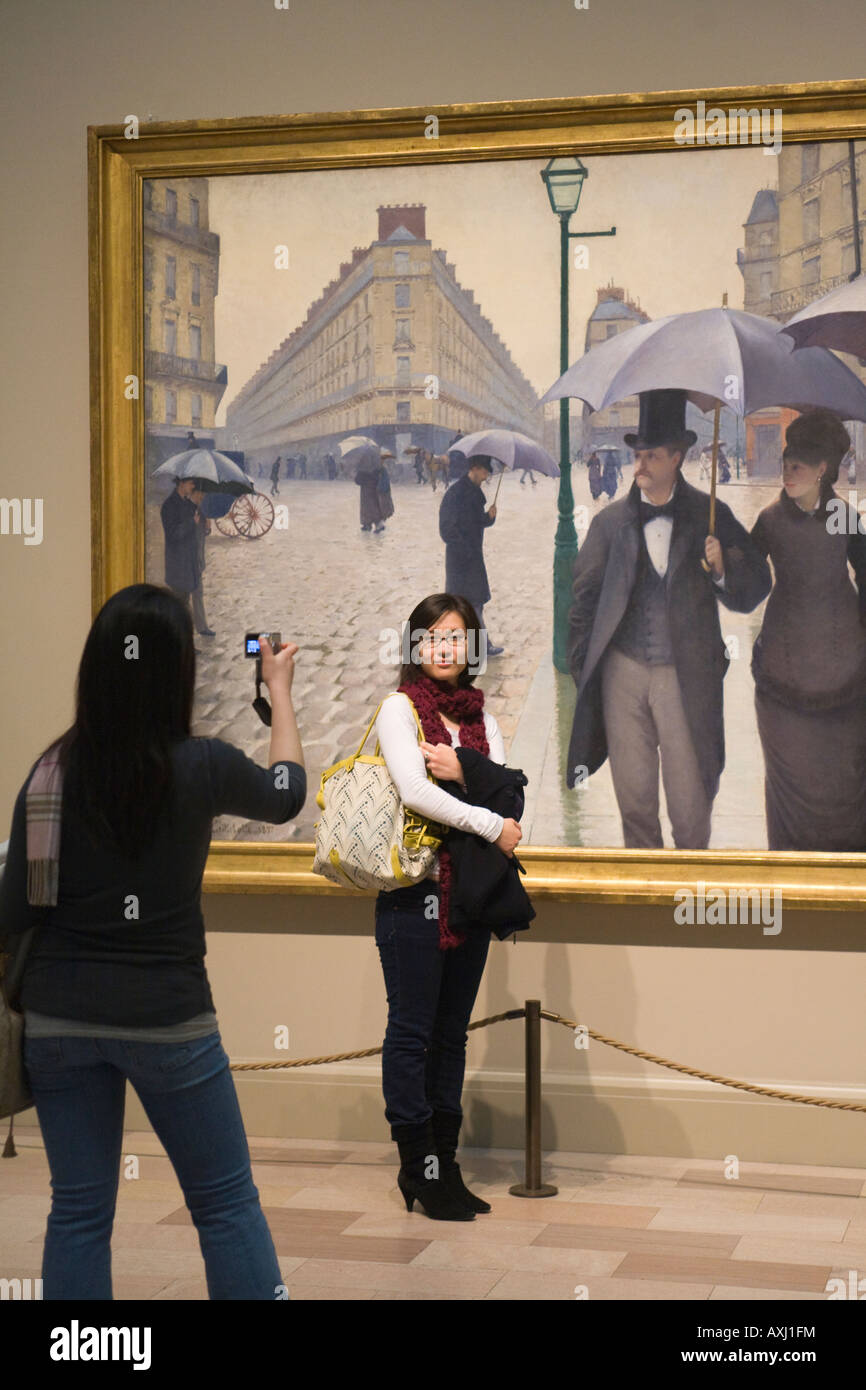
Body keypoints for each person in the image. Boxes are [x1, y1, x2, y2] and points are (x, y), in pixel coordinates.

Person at [0, 585, 306, 1299]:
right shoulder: (201, 765)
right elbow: (286, 792)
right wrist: (280, 694)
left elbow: (13, 909)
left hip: (60, 1022)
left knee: (77, 1212)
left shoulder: (51, 772)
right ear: (176, 673)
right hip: (169, 1020)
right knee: (226, 1205)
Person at [373, 593, 525, 1221]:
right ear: (414, 645)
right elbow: (415, 791)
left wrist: (463, 768)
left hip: (471, 897)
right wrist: (488, 816)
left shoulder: (480, 719)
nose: (444, 647)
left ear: (472, 647)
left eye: (457, 636)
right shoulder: (399, 708)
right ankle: (418, 1170)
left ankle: (446, 1167)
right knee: (412, 1034)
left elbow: (513, 791)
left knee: (450, 1036)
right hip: (414, 894)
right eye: (432, 636)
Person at [566, 389, 772, 848]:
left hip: (687, 675)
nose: (640, 464)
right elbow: (580, 606)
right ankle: (645, 907)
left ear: (677, 457)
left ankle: (691, 898)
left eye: (652, 456)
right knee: (634, 801)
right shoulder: (610, 524)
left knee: (690, 804)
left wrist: (722, 570)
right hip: (623, 674)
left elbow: (757, 585)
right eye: (638, 455)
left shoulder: (710, 514)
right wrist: (589, 673)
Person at [750, 410, 866, 850]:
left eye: (800, 462)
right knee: (791, 781)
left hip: (847, 682)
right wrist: (722, 564)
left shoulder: (846, 518)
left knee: (845, 781)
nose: (788, 469)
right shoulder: (769, 519)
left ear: (823, 469)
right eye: (785, 461)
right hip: (783, 678)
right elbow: (746, 587)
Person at [438, 455, 503, 657]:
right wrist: (464, 549)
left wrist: (489, 518)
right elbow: (446, 529)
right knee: (467, 603)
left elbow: (476, 522)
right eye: (484, 472)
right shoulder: (455, 494)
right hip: (460, 559)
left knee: (474, 602)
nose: (485, 477)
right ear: (474, 469)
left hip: (473, 557)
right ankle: (479, 646)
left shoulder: (474, 493)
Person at [160, 475, 201, 614]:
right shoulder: (169, 505)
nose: (193, 487)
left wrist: (203, 522)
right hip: (177, 566)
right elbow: (172, 535)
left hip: (187, 565)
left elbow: (195, 530)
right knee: (179, 608)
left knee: (183, 605)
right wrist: (191, 522)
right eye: (191, 483)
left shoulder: (188, 505)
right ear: (181, 483)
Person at [189, 485, 215, 637]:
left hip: (197, 560)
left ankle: (202, 626)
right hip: (186, 560)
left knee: (198, 593)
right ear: (195, 493)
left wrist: (207, 525)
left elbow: (202, 535)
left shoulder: (201, 511)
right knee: (185, 598)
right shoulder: (186, 510)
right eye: (201, 495)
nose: (203, 498)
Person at [355, 447, 387, 532]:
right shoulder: (377, 463)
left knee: (367, 507)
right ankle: (375, 524)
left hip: (365, 490)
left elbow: (358, 480)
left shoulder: (363, 464)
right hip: (375, 488)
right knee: (375, 505)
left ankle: (369, 524)